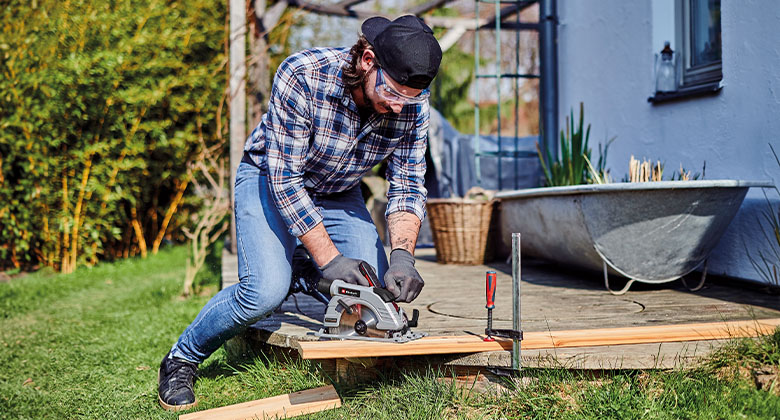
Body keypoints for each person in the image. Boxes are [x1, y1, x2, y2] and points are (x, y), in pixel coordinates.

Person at [157, 15, 442, 411]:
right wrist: (329, 257)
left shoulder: (412, 104)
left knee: (373, 288)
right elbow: (286, 180)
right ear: (368, 60)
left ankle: (304, 272)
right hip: (270, 179)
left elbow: (408, 184)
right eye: (394, 92)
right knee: (264, 292)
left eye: (409, 98)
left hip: (339, 190)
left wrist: (403, 257)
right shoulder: (304, 75)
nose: (399, 107)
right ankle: (181, 358)